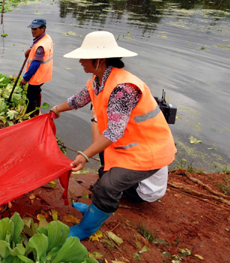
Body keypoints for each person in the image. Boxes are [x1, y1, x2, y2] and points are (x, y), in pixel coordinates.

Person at [50, 31, 176, 240]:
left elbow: (114, 131)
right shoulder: (96, 80)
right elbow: (78, 100)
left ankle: (86, 229)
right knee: (103, 174)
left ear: (99, 60)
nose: (81, 61)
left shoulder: (122, 89)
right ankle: (93, 212)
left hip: (149, 152)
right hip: (128, 147)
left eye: (84, 58)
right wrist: (57, 109)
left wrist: (84, 154)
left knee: (108, 186)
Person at [19, 18, 53, 116]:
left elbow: (35, 64)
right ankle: (37, 112)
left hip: (37, 76)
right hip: (44, 74)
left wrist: (25, 78)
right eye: (32, 29)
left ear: (43, 29)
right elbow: (35, 44)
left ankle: (30, 116)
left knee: (31, 96)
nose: (32, 31)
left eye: (35, 29)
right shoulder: (46, 38)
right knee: (36, 91)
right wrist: (30, 50)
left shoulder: (41, 46)